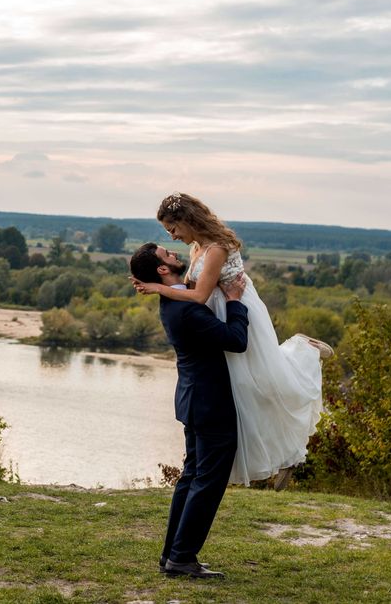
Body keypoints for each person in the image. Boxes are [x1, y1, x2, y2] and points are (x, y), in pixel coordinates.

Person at [131, 192, 328, 488]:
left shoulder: (217, 249)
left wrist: (157, 289)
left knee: (262, 381)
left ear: (186, 220)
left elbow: (197, 296)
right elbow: (191, 288)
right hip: (218, 312)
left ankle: (304, 351)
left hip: (235, 308)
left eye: (173, 229)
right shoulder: (197, 246)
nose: (172, 237)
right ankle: (281, 455)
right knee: (242, 390)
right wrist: (161, 286)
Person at [130, 243, 248, 578]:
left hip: (194, 400)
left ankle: (172, 555)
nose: (175, 255)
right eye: (167, 254)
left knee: (192, 477)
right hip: (209, 403)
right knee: (207, 481)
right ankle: (182, 558)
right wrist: (235, 302)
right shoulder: (187, 310)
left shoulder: (175, 301)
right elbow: (236, 340)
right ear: (162, 270)